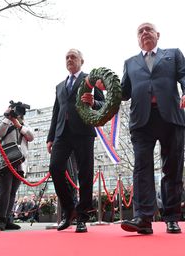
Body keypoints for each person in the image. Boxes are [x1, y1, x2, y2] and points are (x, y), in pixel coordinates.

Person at [120, 22, 185, 234]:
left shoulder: (173, 54)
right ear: (137, 38)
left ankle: (172, 217)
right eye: (140, 31)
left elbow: (184, 76)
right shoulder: (129, 63)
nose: (145, 33)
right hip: (141, 122)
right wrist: (99, 95)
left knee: (172, 168)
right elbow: (123, 93)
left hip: (170, 118)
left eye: (149, 29)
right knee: (141, 170)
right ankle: (144, 219)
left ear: (158, 34)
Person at [47, 48, 105, 233]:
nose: (69, 59)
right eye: (67, 57)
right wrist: (50, 137)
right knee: (55, 168)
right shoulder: (59, 86)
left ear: (82, 60)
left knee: (85, 174)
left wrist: (94, 102)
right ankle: (69, 209)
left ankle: (82, 216)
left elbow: (103, 104)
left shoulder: (91, 80)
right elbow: (56, 112)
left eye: (73, 57)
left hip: (84, 131)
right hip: (62, 134)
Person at [0, 102, 34, 231]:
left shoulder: (24, 125)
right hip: (5, 161)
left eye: (20, 113)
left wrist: (18, 125)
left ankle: (8, 219)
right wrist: (7, 117)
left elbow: (31, 137)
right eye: (16, 112)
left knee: (12, 192)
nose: (18, 114)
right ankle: (1, 219)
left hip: (20, 163)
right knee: (5, 190)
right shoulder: (4, 122)